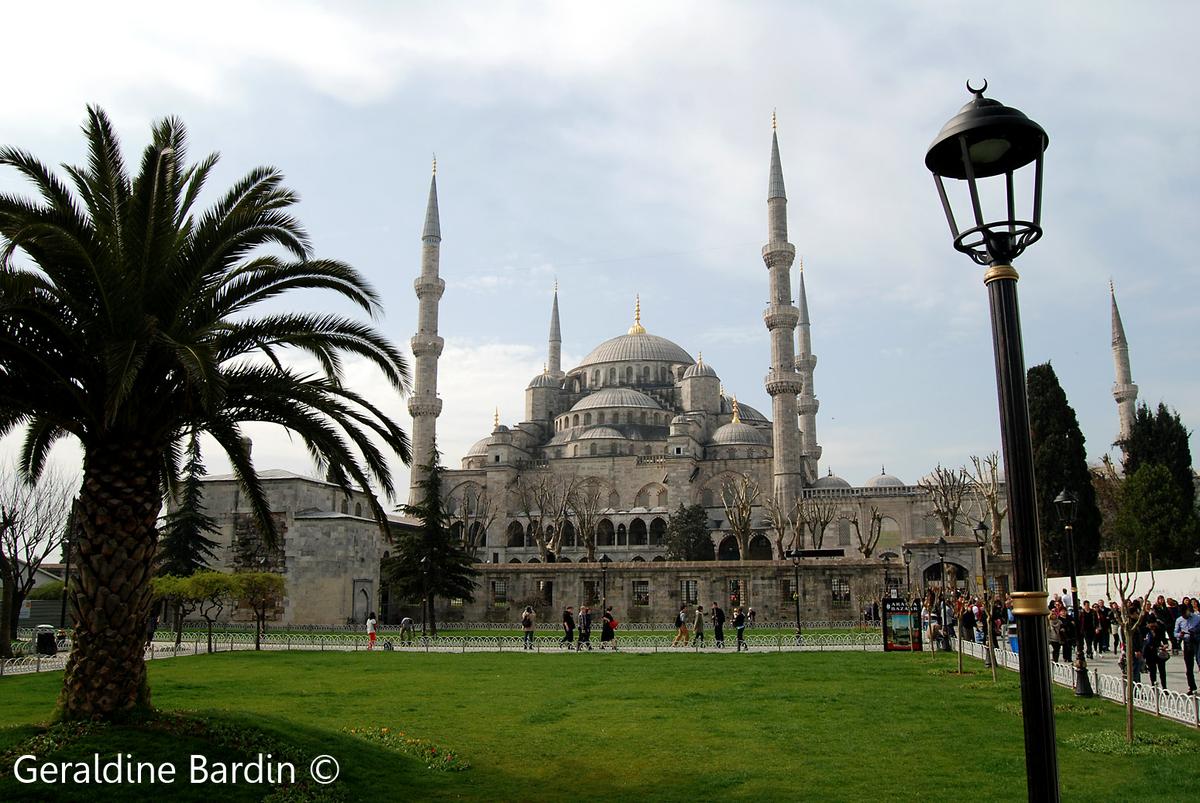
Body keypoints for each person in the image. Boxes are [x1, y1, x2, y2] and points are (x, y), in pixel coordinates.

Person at [1173, 600, 1200, 694]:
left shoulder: (1197, 618)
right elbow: (1175, 633)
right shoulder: (1179, 620)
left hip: (1197, 643)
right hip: (1187, 643)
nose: (1185, 616)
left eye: (1186, 613)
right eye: (1183, 615)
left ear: (1188, 610)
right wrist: (1180, 635)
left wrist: (1195, 631)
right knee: (1189, 667)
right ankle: (1192, 687)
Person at [1142, 619, 1168, 688]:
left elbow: (1164, 639)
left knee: (1162, 671)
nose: (1153, 627)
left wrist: (1165, 645)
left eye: (1154, 625)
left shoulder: (1159, 630)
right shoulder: (1144, 630)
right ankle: (1154, 687)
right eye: (1151, 626)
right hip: (1149, 653)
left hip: (1158, 652)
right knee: (1152, 671)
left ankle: (1164, 687)